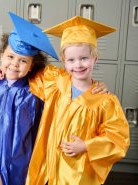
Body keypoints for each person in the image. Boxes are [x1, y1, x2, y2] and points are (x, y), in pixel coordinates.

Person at [25, 16, 130, 185]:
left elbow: (118, 139)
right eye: (71, 60)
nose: (78, 65)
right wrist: (2, 68)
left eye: (84, 58)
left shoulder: (105, 100)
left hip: (76, 173)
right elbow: (26, 69)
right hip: (48, 166)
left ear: (95, 58)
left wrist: (87, 146)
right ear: (64, 61)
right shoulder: (56, 81)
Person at [0, 12, 59, 185]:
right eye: (10, 57)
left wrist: (93, 86)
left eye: (23, 61)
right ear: (1, 56)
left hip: (23, 162)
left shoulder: (36, 89)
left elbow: (67, 83)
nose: (15, 64)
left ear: (31, 66)